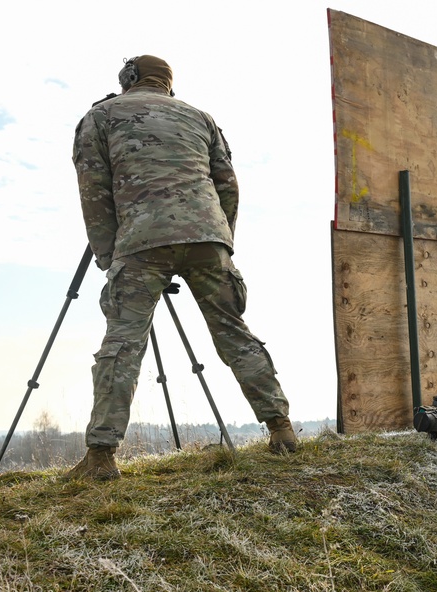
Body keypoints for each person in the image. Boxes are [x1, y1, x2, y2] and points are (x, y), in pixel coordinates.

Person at [68, 55, 296, 480]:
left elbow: (93, 191)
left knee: (123, 342)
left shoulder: (100, 116)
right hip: (209, 238)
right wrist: (222, 239)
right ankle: (281, 429)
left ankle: (101, 456)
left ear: (128, 79)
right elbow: (227, 184)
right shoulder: (200, 117)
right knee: (233, 332)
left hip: (141, 240)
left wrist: (109, 256)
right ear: (168, 84)